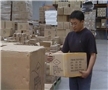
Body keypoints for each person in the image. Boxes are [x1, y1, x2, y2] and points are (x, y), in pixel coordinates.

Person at [48, 10, 97, 90]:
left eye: (75, 23)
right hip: (72, 72)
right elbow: (63, 51)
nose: (73, 26)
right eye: (72, 24)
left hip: (84, 73)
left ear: (82, 22)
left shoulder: (88, 35)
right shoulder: (70, 35)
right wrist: (53, 56)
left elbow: (93, 55)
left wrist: (88, 71)